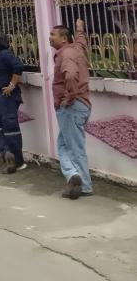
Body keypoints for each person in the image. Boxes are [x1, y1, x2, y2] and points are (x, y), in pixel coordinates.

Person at [50, 19, 92, 199]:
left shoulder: (66, 54)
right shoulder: (76, 49)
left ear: (64, 38)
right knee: (64, 144)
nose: (50, 37)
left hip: (72, 107)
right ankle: (74, 175)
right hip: (80, 105)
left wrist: (70, 96)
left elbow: (70, 75)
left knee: (74, 147)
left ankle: (82, 183)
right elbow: (81, 41)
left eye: (53, 35)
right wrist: (80, 28)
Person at [0, 33, 26, 173]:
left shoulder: (5, 54)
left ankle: (18, 161)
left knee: (10, 128)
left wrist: (11, 85)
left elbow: (18, 66)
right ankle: (7, 157)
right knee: (0, 128)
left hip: (7, 98)